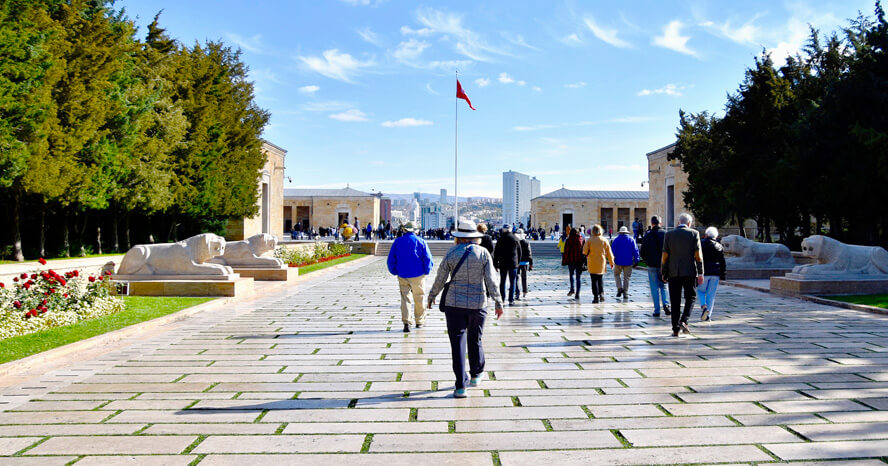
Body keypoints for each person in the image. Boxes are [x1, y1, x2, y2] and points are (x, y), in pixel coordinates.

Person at [427, 220, 503, 398]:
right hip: (478, 304)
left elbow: (440, 278)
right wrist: (498, 303)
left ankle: (461, 385)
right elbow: (492, 281)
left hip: (454, 304)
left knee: (457, 344)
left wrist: (432, 296)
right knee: (475, 338)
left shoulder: (451, 252)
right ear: (474, 236)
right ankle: (476, 374)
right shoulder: (483, 253)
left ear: (458, 237)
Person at [661, 213, 704, 337]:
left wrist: (663, 272)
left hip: (673, 272)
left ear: (679, 222)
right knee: (690, 297)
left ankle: (675, 328)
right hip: (689, 272)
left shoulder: (669, 234)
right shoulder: (693, 234)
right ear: (689, 224)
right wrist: (701, 272)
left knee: (675, 300)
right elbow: (698, 256)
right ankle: (684, 320)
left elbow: (665, 256)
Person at [387, 225, 434, 333]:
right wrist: (427, 271)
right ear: (415, 231)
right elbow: (428, 258)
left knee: (405, 298)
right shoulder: (421, 241)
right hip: (418, 274)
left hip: (403, 274)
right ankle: (419, 321)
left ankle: (407, 322)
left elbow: (391, 259)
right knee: (419, 297)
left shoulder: (398, 242)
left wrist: (394, 270)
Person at [639, 216, 670, 317]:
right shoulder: (665, 234)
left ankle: (657, 310)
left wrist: (647, 260)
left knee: (654, 287)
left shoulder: (648, 235)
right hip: (663, 264)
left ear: (652, 223)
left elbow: (642, 251)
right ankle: (666, 304)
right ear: (660, 223)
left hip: (651, 264)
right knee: (664, 285)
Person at [697, 226, 727, 322]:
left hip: (704, 272)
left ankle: (703, 305)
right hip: (715, 273)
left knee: (700, 290)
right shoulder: (719, 246)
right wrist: (723, 274)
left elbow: (697, 258)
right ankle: (708, 315)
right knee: (711, 294)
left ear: (706, 235)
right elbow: (722, 262)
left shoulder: (701, 244)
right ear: (716, 236)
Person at [582, 224, 614, 303]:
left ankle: (595, 297)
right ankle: (601, 294)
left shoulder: (589, 240)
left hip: (592, 262)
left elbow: (584, 251)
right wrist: (611, 262)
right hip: (601, 262)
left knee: (593, 280)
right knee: (600, 279)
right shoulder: (604, 240)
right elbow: (609, 253)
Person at [493, 224, 521, 305]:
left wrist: (495, 264)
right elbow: (519, 252)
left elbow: (496, 253)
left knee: (502, 281)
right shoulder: (515, 238)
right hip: (513, 263)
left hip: (503, 263)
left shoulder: (500, 239)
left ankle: (502, 298)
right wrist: (518, 262)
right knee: (513, 282)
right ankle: (511, 299)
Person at [611, 226, 640, 299]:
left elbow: (612, 251)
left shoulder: (616, 240)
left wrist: (612, 260)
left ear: (620, 232)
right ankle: (625, 293)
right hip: (628, 262)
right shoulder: (631, 240)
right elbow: (635, 251)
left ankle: (619, 288)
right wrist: (636, 260)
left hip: (618, 261)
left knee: (617, 275)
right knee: (626, 278)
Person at [562, 227, 585, 299]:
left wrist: (564, 261)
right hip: (579, 261)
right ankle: (577, 293)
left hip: (571, 260)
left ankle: (572, 289)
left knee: (571, 275)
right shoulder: (582, 240)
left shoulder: (568, 240)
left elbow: (566, 251)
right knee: (578, 277)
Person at [515, 228, 533, 299]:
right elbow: (529, 253)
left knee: (516, 278)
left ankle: (517, 292)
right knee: (524, 277)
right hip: (524, 262)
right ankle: (525, 291)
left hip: (516, 262)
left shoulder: (515, 242)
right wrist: (531, 263)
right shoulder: (526, 242)